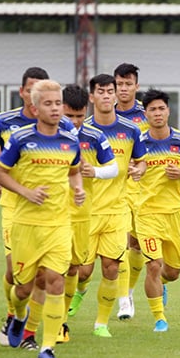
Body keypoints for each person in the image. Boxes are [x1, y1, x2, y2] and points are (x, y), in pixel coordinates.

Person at [0, 67, 76, 349]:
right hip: (24, 220)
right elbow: (0, 174)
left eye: (58, 103)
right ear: (34, 108)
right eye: (48, 104)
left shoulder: (70, 138)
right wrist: (26, 191)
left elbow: (74, 170)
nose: (55, 108)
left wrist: (80, 187)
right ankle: (18, 316)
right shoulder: (20, 138)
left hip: (59, 223)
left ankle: (44, 345)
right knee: (22, 285)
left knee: (54, 281)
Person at [69, 73, 146, 338]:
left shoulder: (131, 129)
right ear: (91, 97)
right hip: (86, 210)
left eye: (109, 91)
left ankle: (101, 323)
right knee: (82, 270)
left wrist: (139, 170)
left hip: (117, 207)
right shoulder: (79, 127)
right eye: (100, 91)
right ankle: (80, 290)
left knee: (112, 266)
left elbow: (142, 160)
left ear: (116, 95)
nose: (106, 95)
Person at [137, 88, 180, 332]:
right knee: (153, 265)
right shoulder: (139, 142)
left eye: (161, 108)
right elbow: (131, 167)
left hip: (174, 213)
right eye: (152, 109)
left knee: (172, 271)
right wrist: (137, 171)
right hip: (146, 213)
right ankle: (159, 318)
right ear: (145, 114)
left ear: (168, 111)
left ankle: (163, 283)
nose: (157, 113)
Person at [61, 84, 118, 342]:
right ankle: (48, 319)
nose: (74, 122)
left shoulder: (95, 136)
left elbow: (114, 168)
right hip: (53, 213)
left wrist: (93, 171)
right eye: (69, 115)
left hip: (85, 213)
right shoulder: (48, 135)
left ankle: (93, 323)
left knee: (78, 269)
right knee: (53, 272)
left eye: (79, 116)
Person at [113, 62, 149, 320]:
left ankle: (131, 289)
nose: (123, 89)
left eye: (128, 84)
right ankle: (123, 299)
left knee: (137, 245)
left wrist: (142, 165)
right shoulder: (105, 116)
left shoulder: (147, 115)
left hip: (145, 190)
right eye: (119, 84)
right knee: (122, 243)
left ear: (136, 86)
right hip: (115, 192)